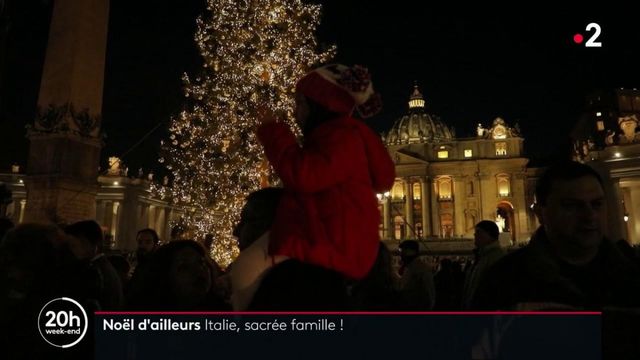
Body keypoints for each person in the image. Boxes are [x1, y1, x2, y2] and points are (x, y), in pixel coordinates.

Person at [231, 64, 395, 310]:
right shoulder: (341, 137)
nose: (295, 112)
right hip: (332, 240)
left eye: (299, 104)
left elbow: (304, 175)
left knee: (246, 272)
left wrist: (272, 131)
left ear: (316, 105)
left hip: (329, 242)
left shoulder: (342, 137)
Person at [472, 161, 640, 310]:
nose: (590, 216)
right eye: (572, 206)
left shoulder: (632, 276)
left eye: (597, 204)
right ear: (540, 213)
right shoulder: (502, 282)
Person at [461, 220, 506, 309]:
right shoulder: (481, 256)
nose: (475, 235)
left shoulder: (496, 258)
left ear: (489, 235)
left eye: (478, 232)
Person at [397, 240, 436, 310]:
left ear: (410, 252)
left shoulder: (421, 269)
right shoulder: (409, 268)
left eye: (403, 251)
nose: (401, 255)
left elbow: (429, 296)